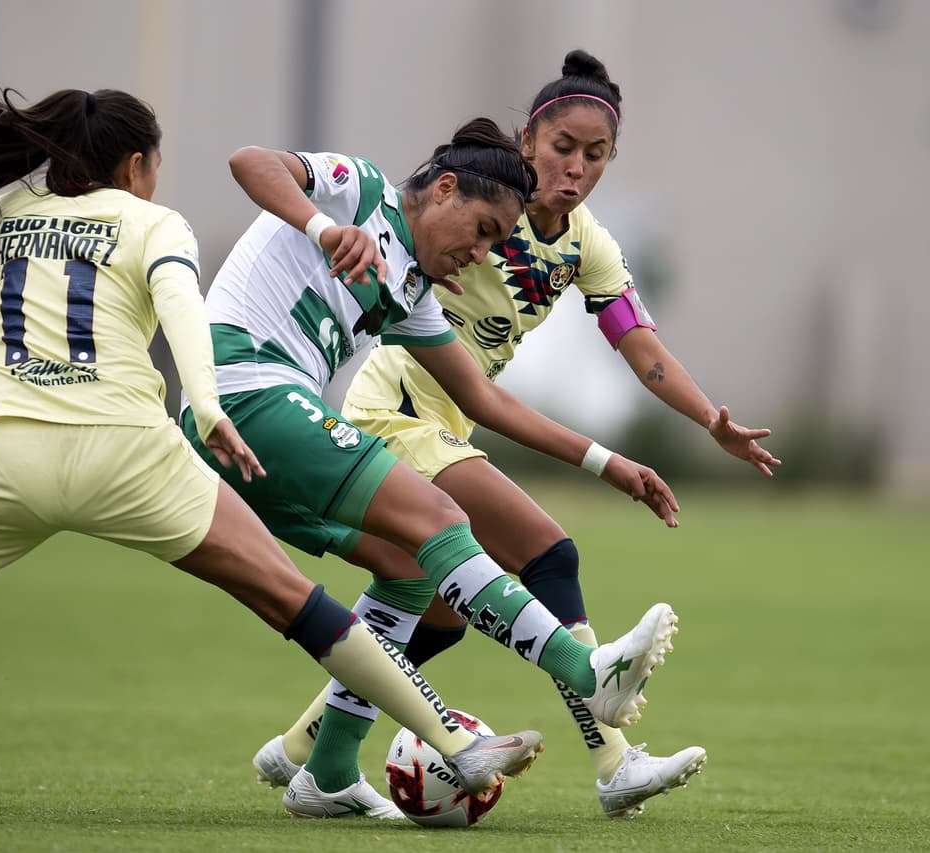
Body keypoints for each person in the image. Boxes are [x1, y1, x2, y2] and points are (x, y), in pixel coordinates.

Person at [0, 76, 551, 822]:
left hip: (2, 456)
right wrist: (210, 412)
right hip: (129, 455)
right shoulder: (154, 223)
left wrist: (2, 300)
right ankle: (455, 742)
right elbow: (188, 326)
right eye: (156, 168)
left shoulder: (0, 218)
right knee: (296, 601)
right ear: (135, 166)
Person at [251, 50, 779, 820]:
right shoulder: (481, 195)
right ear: (528, 142)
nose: (576, 168)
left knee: (434, 610)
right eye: (563, 146)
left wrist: (710, 419)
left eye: (596, 156)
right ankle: (613, 757)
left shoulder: (587, 244)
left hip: (452, 417)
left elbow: (639, 341)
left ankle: (307, 748)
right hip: (394, 408)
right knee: (548, 551)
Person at [180, 116, 682, 819]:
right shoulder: (362, 194)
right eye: (479, 231)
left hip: (255, 439)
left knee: (411, 566)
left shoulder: (411, 292)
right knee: (443, 519)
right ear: (443, 188)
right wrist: (323, 229)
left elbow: (482, 398)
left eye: (494, 245)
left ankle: (324, 772)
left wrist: (604, 462)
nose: (478, 255)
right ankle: (584, 672)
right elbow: (248, 158)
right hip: (244, 396)